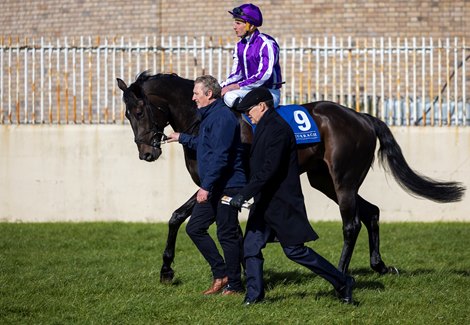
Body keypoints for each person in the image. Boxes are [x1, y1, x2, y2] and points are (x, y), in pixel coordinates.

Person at [229, 87, 356, 305]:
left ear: (262, 106)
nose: (247, 115)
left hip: (281, 203)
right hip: (264, 202)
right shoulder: (263, 126)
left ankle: (342, 281)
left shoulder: (278, 129)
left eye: (249, 110)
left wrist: (244, 194)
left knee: (295, 252)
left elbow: (270, 169)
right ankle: (254, 295)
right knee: (250, 247)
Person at [167, 75, 246, 295]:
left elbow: (220, 156)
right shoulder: (210, 116)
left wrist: (205, 187)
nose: (193, 98)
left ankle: (235, 285)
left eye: (196, 93)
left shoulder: (221, 117)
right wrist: (182, 137)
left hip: (228, 185)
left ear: (209, 94)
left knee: (226, 233)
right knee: (195, 228)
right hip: (216, 184)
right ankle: (221, 274)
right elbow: (206, 143)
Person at [220, 3, 282, 109]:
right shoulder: (239, 46)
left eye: (238, 23)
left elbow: (263, 75)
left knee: (230, 96)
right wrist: (221, 86)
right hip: (248, 90)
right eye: (235, 23)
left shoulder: (266, 43)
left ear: (251, 26)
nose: (234, 27)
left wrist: (235, 86)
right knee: (223, 96)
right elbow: (236, 74)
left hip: (268, 93)